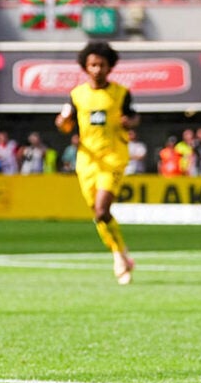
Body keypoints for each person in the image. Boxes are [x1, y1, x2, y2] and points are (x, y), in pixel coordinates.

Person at [55, 40, 140, 285]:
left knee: (102, 209)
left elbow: (134, 117)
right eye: (93, 65)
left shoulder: (120, 93)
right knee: (99, 214)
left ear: (109, 67)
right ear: (85, 66)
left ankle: (118, 258)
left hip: (113, 157)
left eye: (102, 65)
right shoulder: (77, 95)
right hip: (87, 160)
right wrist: (62, 123)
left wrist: (129, 122)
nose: (97, 69)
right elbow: (65, 124)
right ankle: (120, 251)